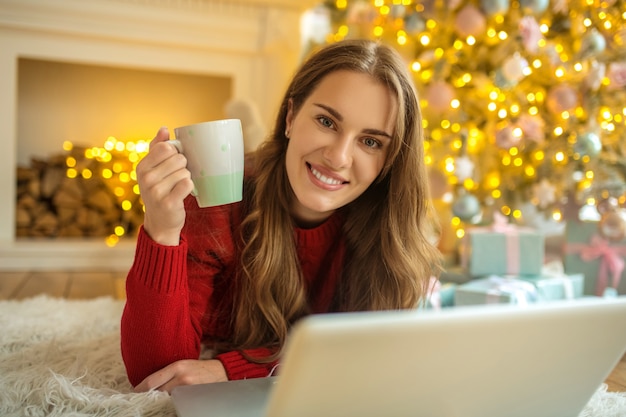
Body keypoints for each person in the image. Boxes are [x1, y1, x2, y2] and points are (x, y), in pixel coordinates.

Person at [120, 39, 442, 394]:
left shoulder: (387, 228)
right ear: (291, 117)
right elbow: (158, 375)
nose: (338, 157)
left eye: (370, 142)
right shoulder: (216, 201)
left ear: (390, 159)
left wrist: (231, 369)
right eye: (326, 121)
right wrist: (162, 230)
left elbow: (374, 354)